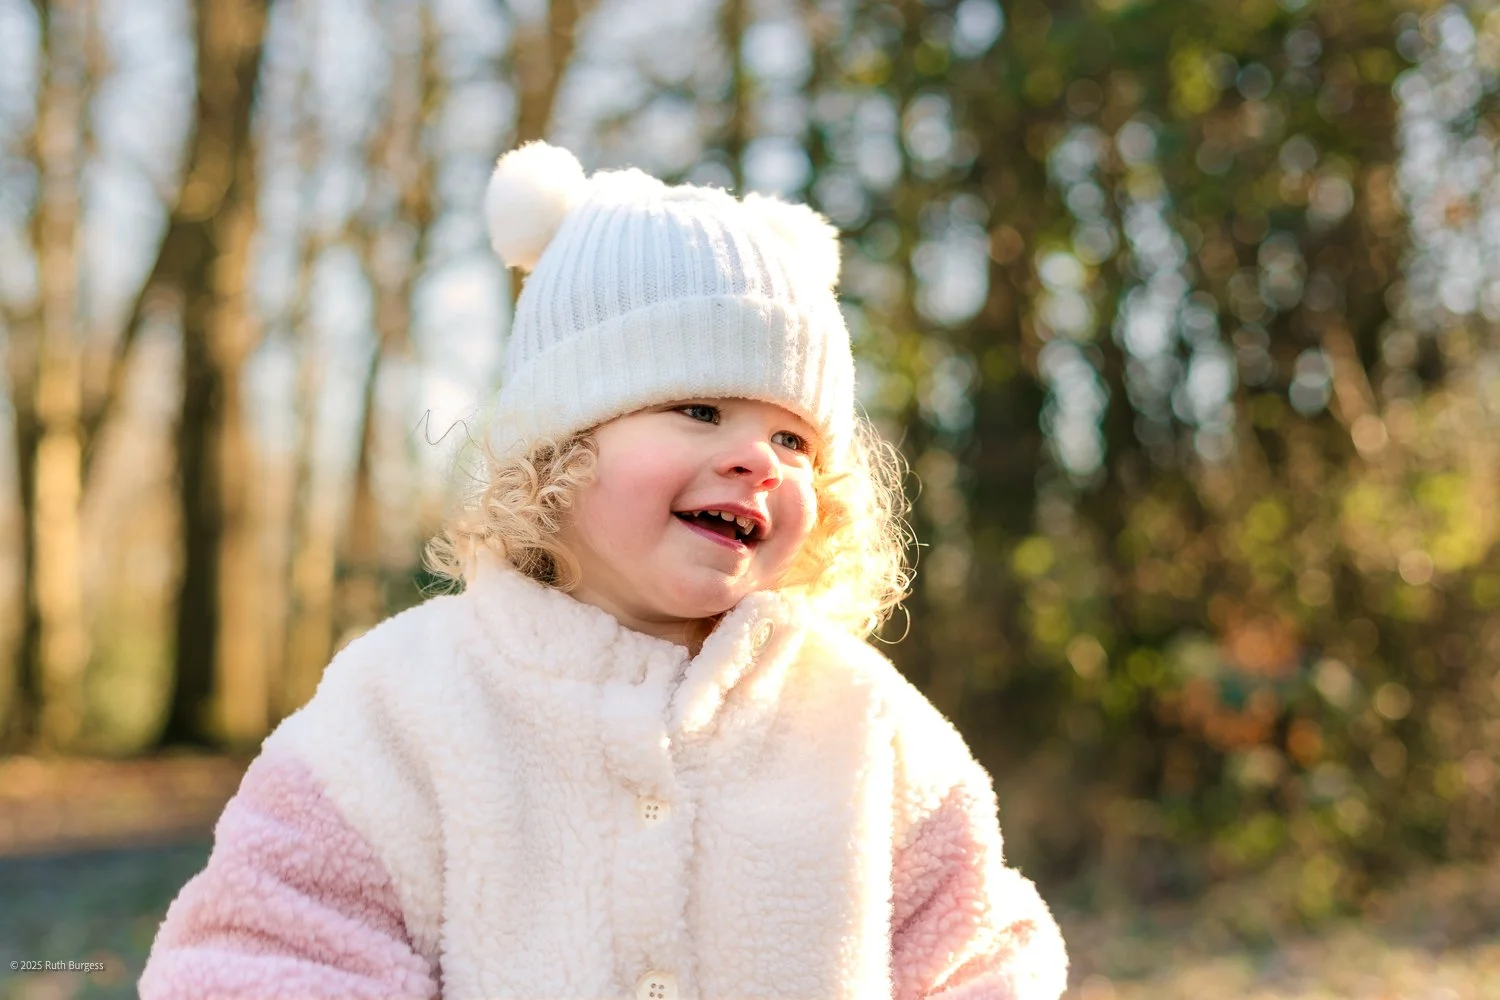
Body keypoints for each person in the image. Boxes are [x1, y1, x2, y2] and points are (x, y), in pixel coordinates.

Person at [138, 141, 1069, 1000]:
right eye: (699, 410)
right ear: (558, 450)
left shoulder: (865, 723)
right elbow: (260, 955)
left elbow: (976, 954)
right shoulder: (404, 706)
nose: (761, 459)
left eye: (792, 436)